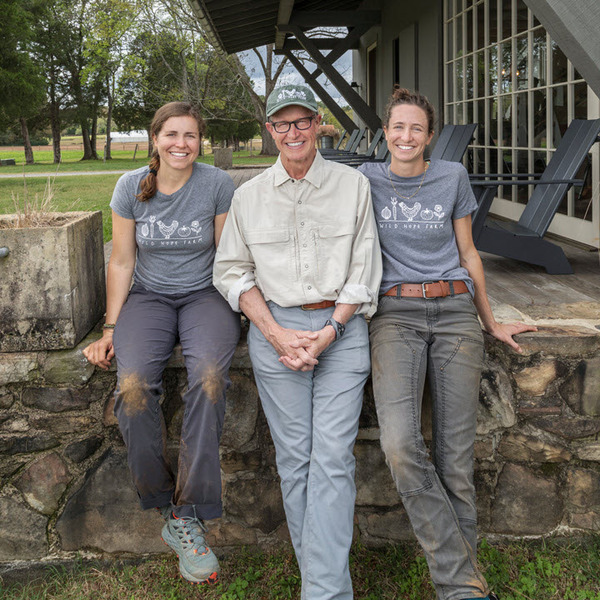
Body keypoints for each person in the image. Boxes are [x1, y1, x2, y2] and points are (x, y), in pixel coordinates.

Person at [358, 87, 537, 600]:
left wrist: (491, 319)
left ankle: (459, 591)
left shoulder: (451, 177)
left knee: (455, 459)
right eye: (397, 127)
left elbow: (469, 252)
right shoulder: (365, 179)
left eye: (416, 128)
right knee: (398, 443)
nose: (406, 136)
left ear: (429, 136)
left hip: (456, 310)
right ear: (385, 133)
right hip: (394, 314)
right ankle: (464, 577)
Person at [213, 84, 382, 600]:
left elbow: (364, 270)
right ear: (269, 130)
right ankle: (325, 586)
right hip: (276, 333)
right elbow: (233, 273)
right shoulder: (247, 196)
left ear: (318, 124)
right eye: (281, 124)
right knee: (296, 460)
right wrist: (277, 334)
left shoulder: (353, 187)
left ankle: (322, 592)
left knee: (332, 458)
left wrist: (329, 333)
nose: (293, 133)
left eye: (302, 122)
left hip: (342, 329)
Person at [83, 101, 240, 585]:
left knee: (210, 378)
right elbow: (122, 262)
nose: (181, 144)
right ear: (155, 138)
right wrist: (110, 328)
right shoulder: (130, 186)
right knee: (131, 388)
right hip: (148, 299)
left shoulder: (216, 184)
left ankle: (186, 513)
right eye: (172, 134)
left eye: (191, 135)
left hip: (205, 296)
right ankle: (164, 501)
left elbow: (226, 256)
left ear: (201, 140)